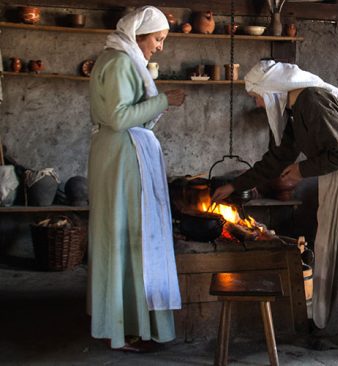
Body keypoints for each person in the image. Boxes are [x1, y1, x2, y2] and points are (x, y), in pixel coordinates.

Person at [212, 60, 338, 353]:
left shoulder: (311, 100)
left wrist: (301, 171)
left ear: (273, 89)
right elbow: (277, 158)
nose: (258, 103)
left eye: (256, 95)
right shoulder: (295, 109)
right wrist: (235, 185)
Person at [87, 6, 185, 351]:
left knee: (126, 234)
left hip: (122, 153)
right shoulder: (118, 62)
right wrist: (163, 101)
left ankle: (129, 323)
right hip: (121, 156)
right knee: (126, 235)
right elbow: (118, 117)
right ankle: (125, 328)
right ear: (139, 36)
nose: (159, 46)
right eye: (157, 39)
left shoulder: (122, 59)